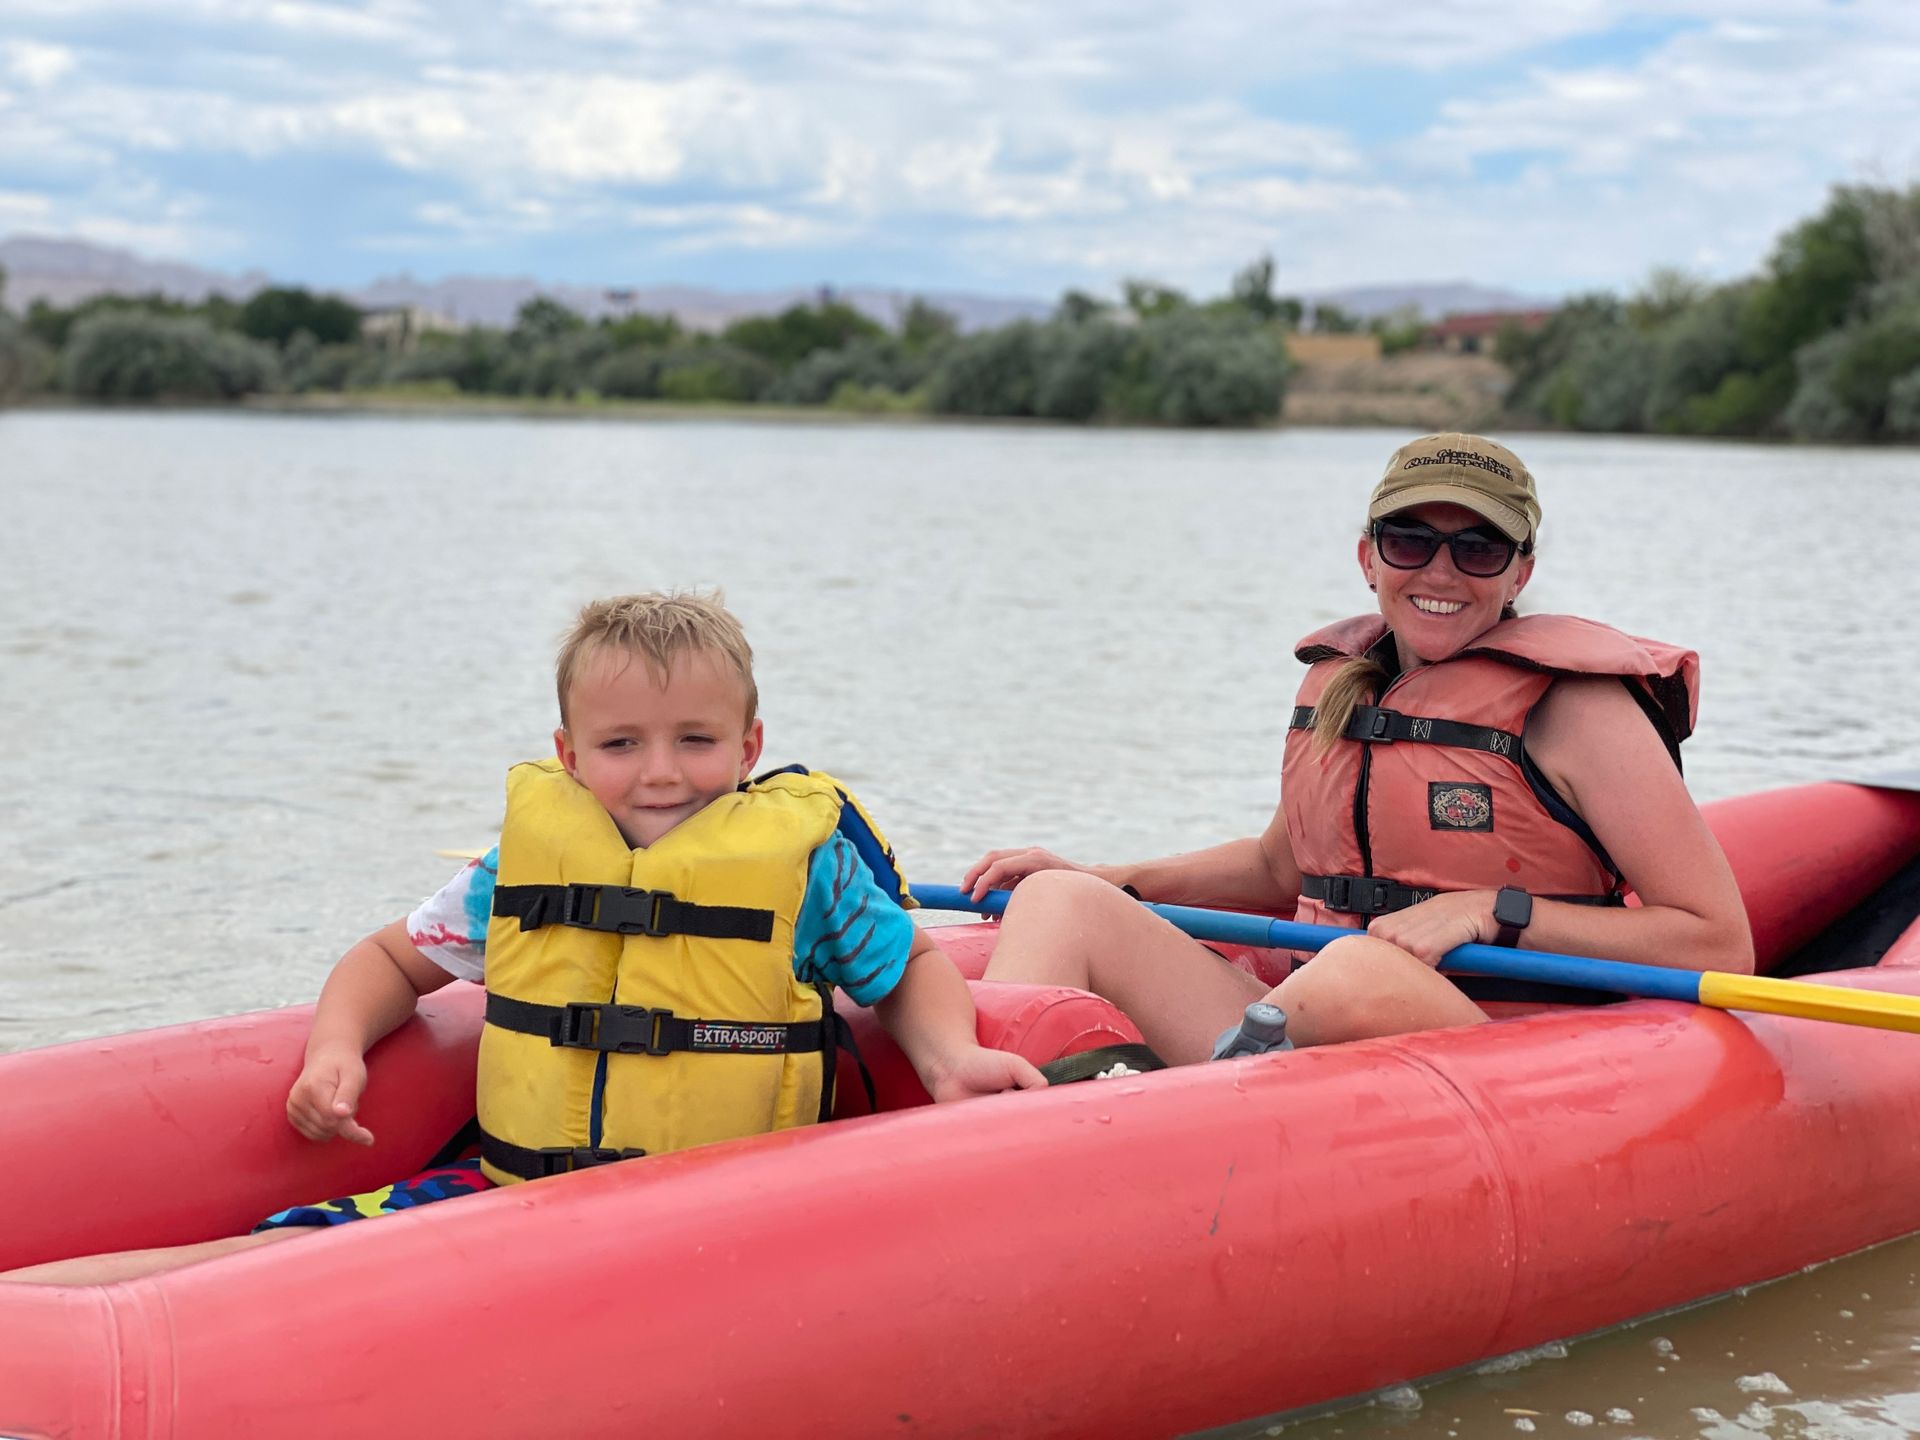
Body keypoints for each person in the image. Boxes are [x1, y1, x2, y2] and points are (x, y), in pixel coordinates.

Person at [7, 591, 1044, 1284]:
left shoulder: (807, 866)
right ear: (567, 751)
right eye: (621, 744)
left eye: (696, 741)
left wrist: (950, 1058)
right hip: (518, 1194)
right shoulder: (521, 870)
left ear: (750, 745)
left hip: (733, 1218)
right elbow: (386, 961)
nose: (661, 774)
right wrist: (335, 1049)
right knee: (258, 1268)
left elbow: (902, 962)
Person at [963, 433, 1754, 1066]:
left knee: (1357, 970)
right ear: (1368, 557)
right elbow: (1282, 870)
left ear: (1521, 573)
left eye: (1477, 549)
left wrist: (1490, 913)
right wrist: (1106, 877)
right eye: (1410, 542)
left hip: (1509, 1054)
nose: (1440, 571)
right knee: (1057, 903)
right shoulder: (1347, 689)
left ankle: (1177, 1114)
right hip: (1311, 1015)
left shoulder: (1579, 711)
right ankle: (1014, 1134)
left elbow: (1718, 942)